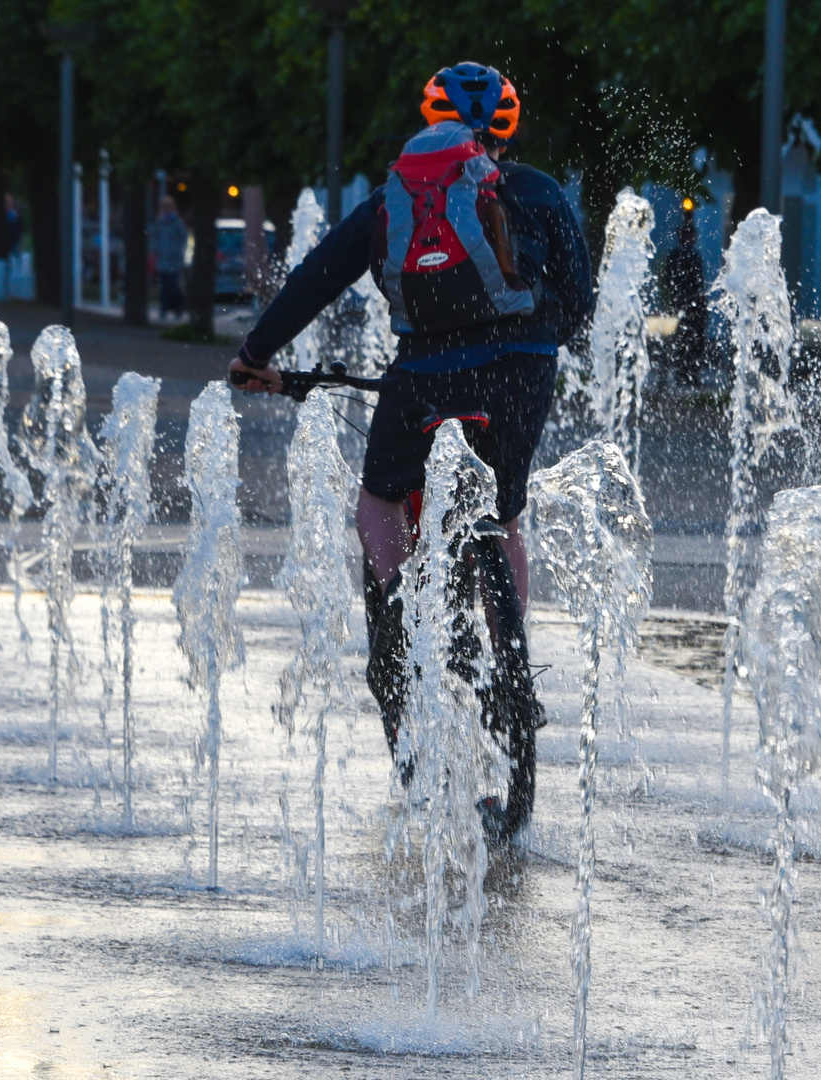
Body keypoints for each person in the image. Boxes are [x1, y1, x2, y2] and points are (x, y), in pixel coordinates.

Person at [228, 62, 595, 836]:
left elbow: (319, 275)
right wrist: (537, 337)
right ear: (508, 127)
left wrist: (259, 353)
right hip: (520, 370)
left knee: (378, 500)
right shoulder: (539, 190)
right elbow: (582, 300)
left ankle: (401, 612)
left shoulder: (398, 193)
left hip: (423, 372)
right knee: (506, 510)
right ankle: (512, 667)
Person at [661, 198, 709, 386]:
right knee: (694, 339)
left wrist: (673, 300)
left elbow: (668, 280)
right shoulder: (693, 255)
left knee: (682, 338)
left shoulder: (674, 255)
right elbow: (698, 282)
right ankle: (690, 373)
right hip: (692, 304)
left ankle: (682, 372)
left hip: (680, 303)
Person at [150, 196, 188, 319]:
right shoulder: (160, 222)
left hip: (174, 261)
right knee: (164, 287)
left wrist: (177, 252)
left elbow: (183, 238)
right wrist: (155, 251)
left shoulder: (177, 222)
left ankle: (178, 309)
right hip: (162, 260)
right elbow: (155, 238)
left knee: (174, 286)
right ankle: (164, 309)